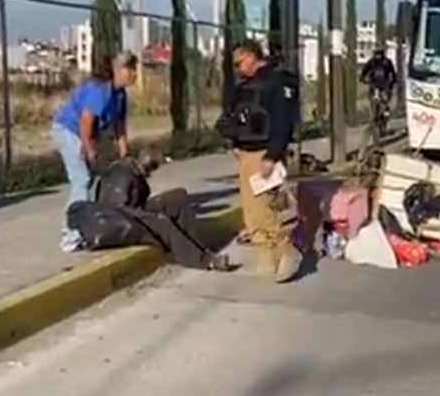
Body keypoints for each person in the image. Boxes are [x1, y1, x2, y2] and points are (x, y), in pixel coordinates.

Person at [216, 39, 301, 282]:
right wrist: (235, 143)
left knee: (268, 208)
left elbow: (282, 123)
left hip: (264, 154)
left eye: (240, 62)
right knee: (253, 212)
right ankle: (266, 256)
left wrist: (273, 155)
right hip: (246, 153)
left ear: (253, 56)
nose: (238, 67)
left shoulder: (274, 84)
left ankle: (286, 253)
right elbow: (235, 117)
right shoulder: (244, 86)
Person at [67, 148, 220, 270]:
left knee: (178, 197)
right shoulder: (122, 175)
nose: (152, 173)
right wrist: (151, 217)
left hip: (131, 214)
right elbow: (118, 209)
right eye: (153, 168)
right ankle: (203, 260)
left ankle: (199, 246)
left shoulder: (135, 174)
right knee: (163, 224)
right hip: (118, 222)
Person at [52, 51, 137, 252]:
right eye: (130, 69)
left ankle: (87, 226)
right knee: (82, 179)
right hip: (69, 131)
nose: (134, 73)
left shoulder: (120, 95)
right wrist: (89, 148)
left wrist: (125, 156)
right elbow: (85, 122)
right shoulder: (99, 90)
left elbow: (119, 127)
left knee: (91, 180)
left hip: (83, 133)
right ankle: (70, 234)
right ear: (118, 70)